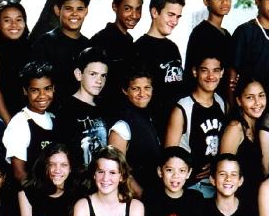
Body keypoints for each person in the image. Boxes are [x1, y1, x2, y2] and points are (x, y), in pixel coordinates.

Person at [165, 53, 226, 198]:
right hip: (191, 186)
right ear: (194, 72)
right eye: (204, 70)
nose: (210, 76)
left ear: (222, 73)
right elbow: (168, 155)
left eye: (216, 70)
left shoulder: (220, 102)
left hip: (216, 182)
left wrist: (215, 164)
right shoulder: (182, 108)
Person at [133, 0, 186, 133]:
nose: (175, 21)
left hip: (177, 127)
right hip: (153, 129)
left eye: (178, 16)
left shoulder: (173, 48)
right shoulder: (139, 49)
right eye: (171, 14)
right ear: (155, 12)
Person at [108, 67, 162, 197]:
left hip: (153, 190)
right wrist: (140, 193)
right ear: (125, 90)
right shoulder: (122, 125)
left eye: (147, 88)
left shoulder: (149, 116)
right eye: (135, 88)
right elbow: (117, 168)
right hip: (135, 195)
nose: (142, 93)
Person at [30, 0, 91, 102]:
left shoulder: (88, 46)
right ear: (57, 10)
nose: (75, 13)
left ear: (86, 11)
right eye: (68, 8)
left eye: (80, 9)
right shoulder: (45, 43)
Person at [2, 61, 57, 186]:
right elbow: (19, 173)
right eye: (35, 90)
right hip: (34, 191)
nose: (42, 96)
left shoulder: (53, 118)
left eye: (47, 89)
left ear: (54, 88)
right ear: (25, 91)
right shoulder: (19, 123)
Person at [56, 47, 110, 171]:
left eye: (103, 75)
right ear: (79, 74)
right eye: (93, 74)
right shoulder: (66, 109)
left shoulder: (104, 108)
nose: (99, 81)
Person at [0, 0, 32, 123]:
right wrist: (10, 123)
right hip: (1, 117)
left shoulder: (29, 50)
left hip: (26, 116)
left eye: (19, 19)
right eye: (7, 20)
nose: (14, 24)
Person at [90, 0, 143, 103]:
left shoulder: (129, 42)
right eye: (128, 9)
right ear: (115, 7)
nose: (134, 15)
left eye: (138, 9)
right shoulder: (101, 41)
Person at [184, 0, 233, 102]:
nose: (225, 2)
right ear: (206, 1)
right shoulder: (201, 33)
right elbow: (194, 74)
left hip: (223, 100)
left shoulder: (226, 34)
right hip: (205, 101)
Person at [219, 76, 267, 207]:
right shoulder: (235, 128)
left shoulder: (260, 126)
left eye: (261, 95)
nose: (257, 102)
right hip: (238, 202)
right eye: (250, 97)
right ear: (239, 101)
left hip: (256, 198)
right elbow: (223, 171)